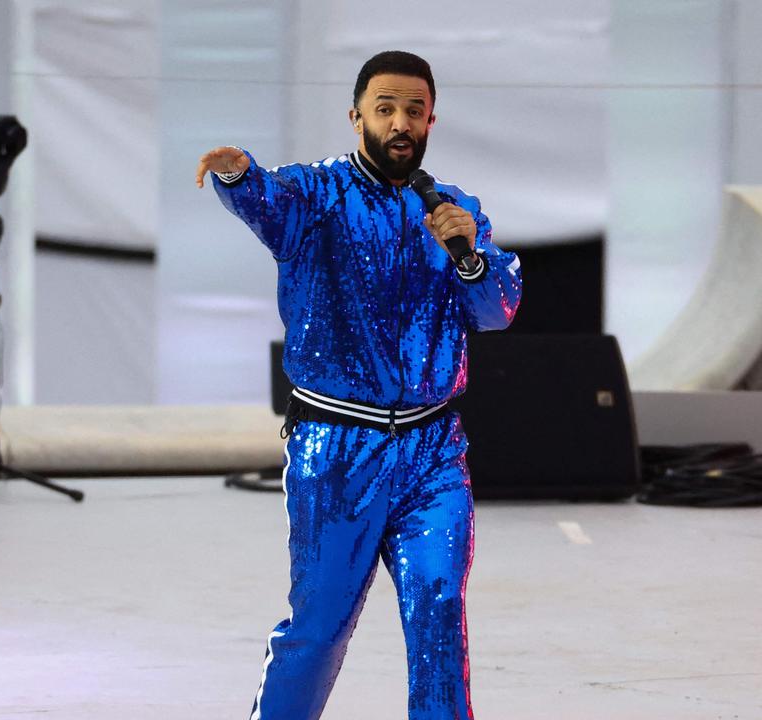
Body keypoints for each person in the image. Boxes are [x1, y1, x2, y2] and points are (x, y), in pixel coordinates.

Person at [194, 50, 522, 720]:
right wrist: (238, 173)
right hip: (337, 449)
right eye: (385, 108)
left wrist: (471, 255)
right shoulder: (317, 196)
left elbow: (497, 310)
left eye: (414, 110)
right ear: (357, 117)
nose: (400, 122)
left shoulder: (455, 210)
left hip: (434, 452)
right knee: (319, 627)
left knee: (439, 614)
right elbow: (268, 202)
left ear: (431, 120)